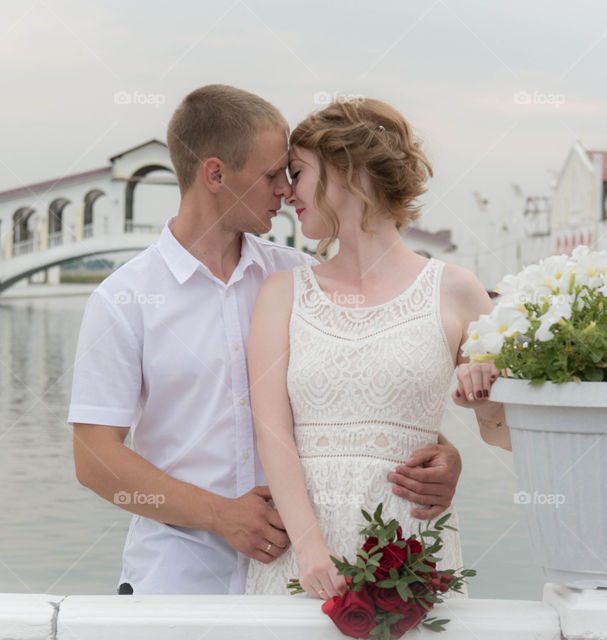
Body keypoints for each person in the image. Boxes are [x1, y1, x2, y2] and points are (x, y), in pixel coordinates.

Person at [68, 84, 464, 596]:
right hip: (176, 580)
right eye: (272, 174)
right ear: (215, 174)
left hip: (300, 582)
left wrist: (441, 454)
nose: (287, 189)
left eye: (291, 174)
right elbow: (94, 458)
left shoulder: (303, 280)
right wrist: (221, 516)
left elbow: (360, 400)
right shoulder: (122, 299)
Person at [244, 98, 511, 599]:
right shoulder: (281, 293)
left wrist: (487, 397)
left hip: (410, 549)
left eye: (297, 173)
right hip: (305, 555)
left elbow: (505, 436)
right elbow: (272, 435)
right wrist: (310, 552)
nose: (286, 193)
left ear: (349, 169)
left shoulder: (457, 289)